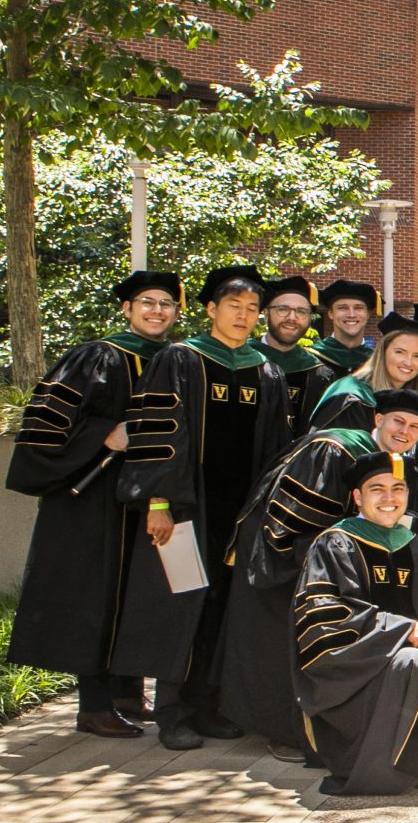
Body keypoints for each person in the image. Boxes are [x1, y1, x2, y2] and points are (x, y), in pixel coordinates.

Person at [114, 265, 295, 749]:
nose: (244, 315)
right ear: (211, 309)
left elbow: (277, 447)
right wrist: (157, 502)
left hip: (240, 515)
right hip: (186, 509)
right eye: (233, 306)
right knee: (181, 603)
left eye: (252, 309)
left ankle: (208, 703)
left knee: (222, 607)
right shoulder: (180, 359)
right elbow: (156, 434)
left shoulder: (267, 369)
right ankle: (171, 712)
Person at [216, 387, 418, 749]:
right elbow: (294, 517)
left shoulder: (390, 461)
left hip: (323, 558)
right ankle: (282, 731)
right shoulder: (333, 447)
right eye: (398, 421)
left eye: (415, 427)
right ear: (378, 420)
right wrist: (326, 562)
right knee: (285, 641)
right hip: (284, 556)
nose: (406, 432)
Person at [6, 269, 178, 738]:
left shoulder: (177, 360)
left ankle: (127, 692)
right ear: (126, 308)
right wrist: (103, 436)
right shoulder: (97, 356)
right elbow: (47, 425)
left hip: (146, 497)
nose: (157, 310)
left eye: (166, 303)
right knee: (95, 594)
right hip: (92, 498)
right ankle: (94, 705)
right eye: (147, 301)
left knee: (137, 592)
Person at [290, 451, 418, 795]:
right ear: (357, 497)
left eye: (398, 489)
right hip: (353, 684)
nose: (388, 498)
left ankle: (415, 755)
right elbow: (323, 616)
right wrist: (400, 629)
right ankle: (378, 769)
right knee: (410, 660)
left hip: (411, 676)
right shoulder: (335, 543)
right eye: (376, 489)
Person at [307, 312, 418, 434]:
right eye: (400, 352)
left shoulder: (416, 402)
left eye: (417, 356)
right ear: (382, 352)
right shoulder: (352, 397)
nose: (408, 362)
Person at [254, 276, 322, 384]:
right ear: (266, 314)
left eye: (301, 311)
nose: (292, 318)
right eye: (283, 309)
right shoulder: (243, 358)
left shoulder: (318, 371)